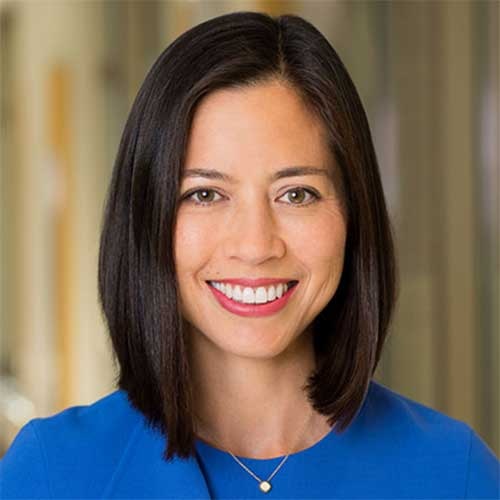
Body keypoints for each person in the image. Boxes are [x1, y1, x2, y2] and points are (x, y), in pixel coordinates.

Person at [1, 10, 498, 499]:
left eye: (297, 194)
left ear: (353, 213)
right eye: (205, 194)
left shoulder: (456, 473)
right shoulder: (51, 474)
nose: (256, 246)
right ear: (147, 217)